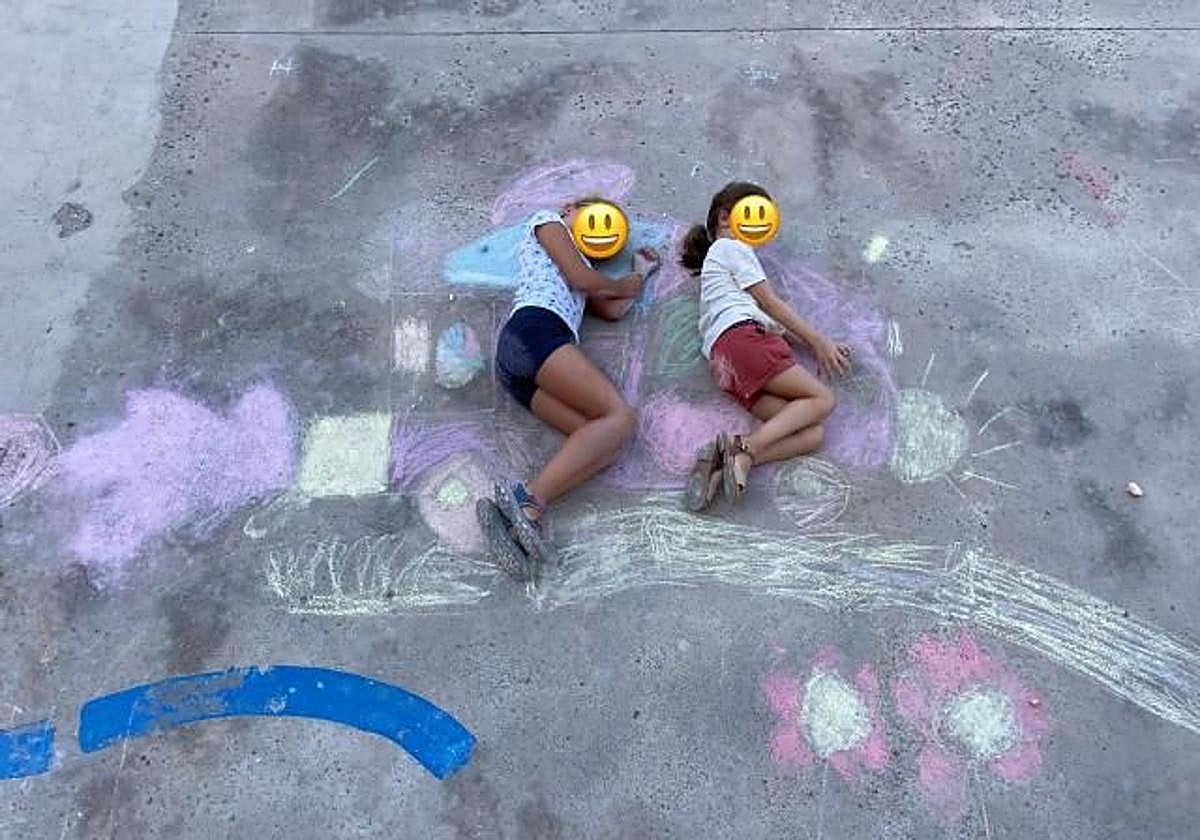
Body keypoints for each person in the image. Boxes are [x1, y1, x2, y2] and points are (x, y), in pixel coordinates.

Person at [480, 198, 661, 579]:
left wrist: (639, 275)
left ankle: (522, 518)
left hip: (522, 367)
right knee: (621, 418)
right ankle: (523, 501)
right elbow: (582, 281)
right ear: (572, 208)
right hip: (535, 331)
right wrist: (622, 281)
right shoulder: (548, 223)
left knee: (604, 442)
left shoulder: (584, 265)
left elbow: (611, 309)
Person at [679, 182, 851, 510]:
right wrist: (819, 342)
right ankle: (743, 447)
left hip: (725, 363)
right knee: (823, 399)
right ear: (726, 218)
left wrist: (821, 344)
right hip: (745, 341)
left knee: (812, 433)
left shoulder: (722, 273)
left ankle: (728, 460)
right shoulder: (732, 248)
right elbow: (771, 305)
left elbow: (778, 326)